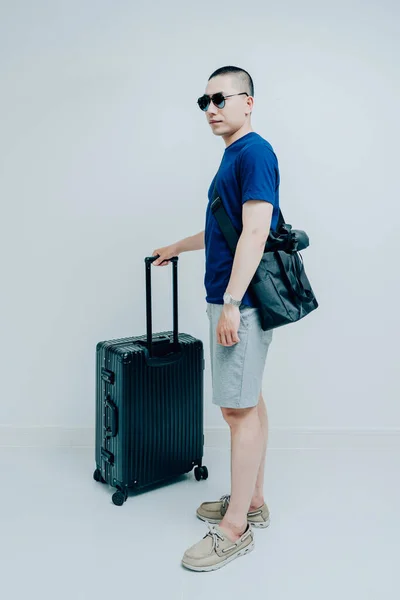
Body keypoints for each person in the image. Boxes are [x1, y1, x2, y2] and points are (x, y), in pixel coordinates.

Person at [152, 65, 280, 572]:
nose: (210, 108)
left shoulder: (254, 152)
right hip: (232, 296)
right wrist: (178, 246)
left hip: (239, 302)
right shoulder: (235, 156)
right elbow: (225, 229)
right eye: (204, 101)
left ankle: (235, 530)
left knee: (236, 411)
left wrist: (231, 302)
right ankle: (252, 502)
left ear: (248, 102)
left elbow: (255, 232)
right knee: (248, 400)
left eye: (220, 99)